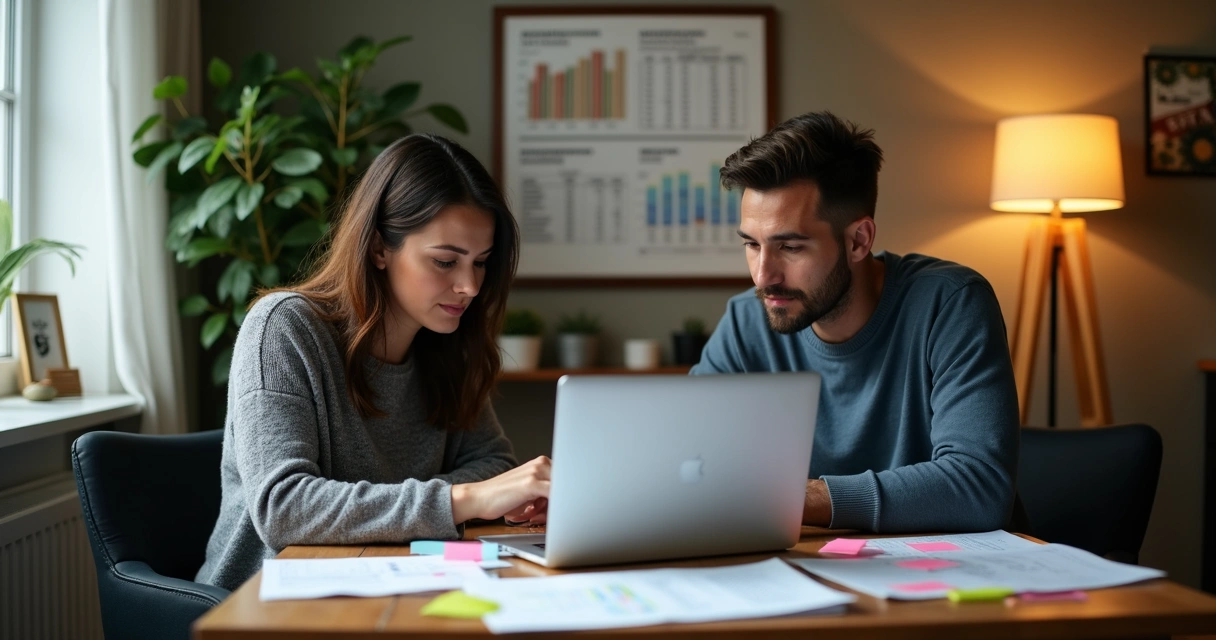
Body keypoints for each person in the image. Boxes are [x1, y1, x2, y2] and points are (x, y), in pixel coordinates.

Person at [196, 134, 550, 592]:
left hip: (396, 579)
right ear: (380, 247)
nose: (470, 286)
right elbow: (283, 509)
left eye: (481, 262)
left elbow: (493, 462)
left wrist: (477, 494)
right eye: (446, 261)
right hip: (264, 604)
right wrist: (460, 498)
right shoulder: (282, 330)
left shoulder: (446, 342)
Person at [692, 111, 1019, 533]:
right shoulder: (745, 321)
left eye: (790, 247)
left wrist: (790, 497)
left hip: (943, 578)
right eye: (752, 245)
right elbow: (689, 463)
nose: (763, 276)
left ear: (859, 240)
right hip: (811, 569)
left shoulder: (949, 304)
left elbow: (980, 488)